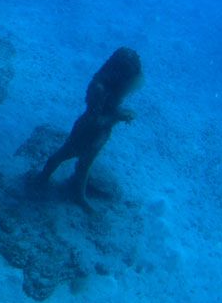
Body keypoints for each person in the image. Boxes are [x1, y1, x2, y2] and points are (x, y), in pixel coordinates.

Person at [36, 47, 143, 210]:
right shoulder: (99, 87)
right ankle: (41, 179)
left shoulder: (117, 86)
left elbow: (108, 111)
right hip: (85, 132)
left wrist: (120, 114)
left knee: (85, 165)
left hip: (102, 134)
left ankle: (79, 196)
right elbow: (94, 119)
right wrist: (118, 117)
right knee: (63, 155)